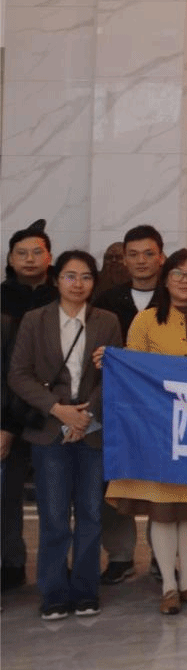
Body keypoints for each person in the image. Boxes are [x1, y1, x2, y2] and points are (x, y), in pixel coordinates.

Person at [105, 250, 187, 614]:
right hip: (160, 430)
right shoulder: (145, 320)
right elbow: (132, 372)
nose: (185, 280)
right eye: (177, 273)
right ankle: (169, 587)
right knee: (163, 509)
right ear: (165, 279)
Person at [8, 251, 123, 619]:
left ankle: (86, 590)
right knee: (55, 517)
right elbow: (18, 374)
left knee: (90, 514)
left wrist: (85, 415)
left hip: (92, 427)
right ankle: (54, 592)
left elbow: (114, 372)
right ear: (56, 280)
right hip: (49, 428)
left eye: (86, 277)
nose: (78, 284)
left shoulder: (107, 321)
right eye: (70, 276)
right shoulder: (35, 320)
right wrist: (59, 411)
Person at [94, 224, 166, 584]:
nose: (141, 261)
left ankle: (161, 555)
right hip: (117, 407)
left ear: (161, 257)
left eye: (148, 253)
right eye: (133, 254)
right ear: (124, 259)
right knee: (116, 479)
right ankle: (120, 556)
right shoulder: (106, 301)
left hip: (162, 408)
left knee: (162, 482)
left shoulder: (175, 297)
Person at [1, 220, 57, 594]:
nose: (30, 258)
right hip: (8, 413)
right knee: (8, 496)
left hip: (53, 412)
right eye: (21, 253)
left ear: (49, 257)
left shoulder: (63, 296)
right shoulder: (1, 299)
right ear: (10, 259)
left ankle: (56, 565)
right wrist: (5, 422)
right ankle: (11, 562)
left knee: (56, 496)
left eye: (37, 251)